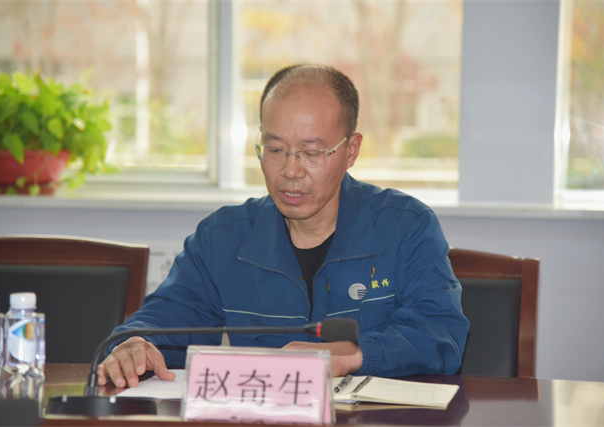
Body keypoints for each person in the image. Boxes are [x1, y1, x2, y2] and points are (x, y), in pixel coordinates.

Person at [97, 64, 470, 389]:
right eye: (274, 150)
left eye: (312, 152)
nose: (291, 171)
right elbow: (163, 321)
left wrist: (351, 355)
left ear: (351, 150)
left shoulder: (405, 227)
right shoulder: (223, 238)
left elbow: (440, 333)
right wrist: (135, 345)